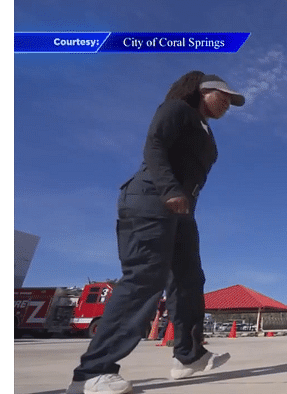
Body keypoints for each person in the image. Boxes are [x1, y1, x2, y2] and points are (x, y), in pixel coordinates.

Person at [66, 71, 245, 394]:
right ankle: (92, 373)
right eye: (224, 96)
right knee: (145, 279)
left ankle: (188, 356)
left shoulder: (205, 130)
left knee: (190, 280)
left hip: (181, 211)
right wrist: (168, 188)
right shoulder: (177, 109)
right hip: (153, 198)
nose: (228, 104)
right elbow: (155, 145)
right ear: (203, 91)